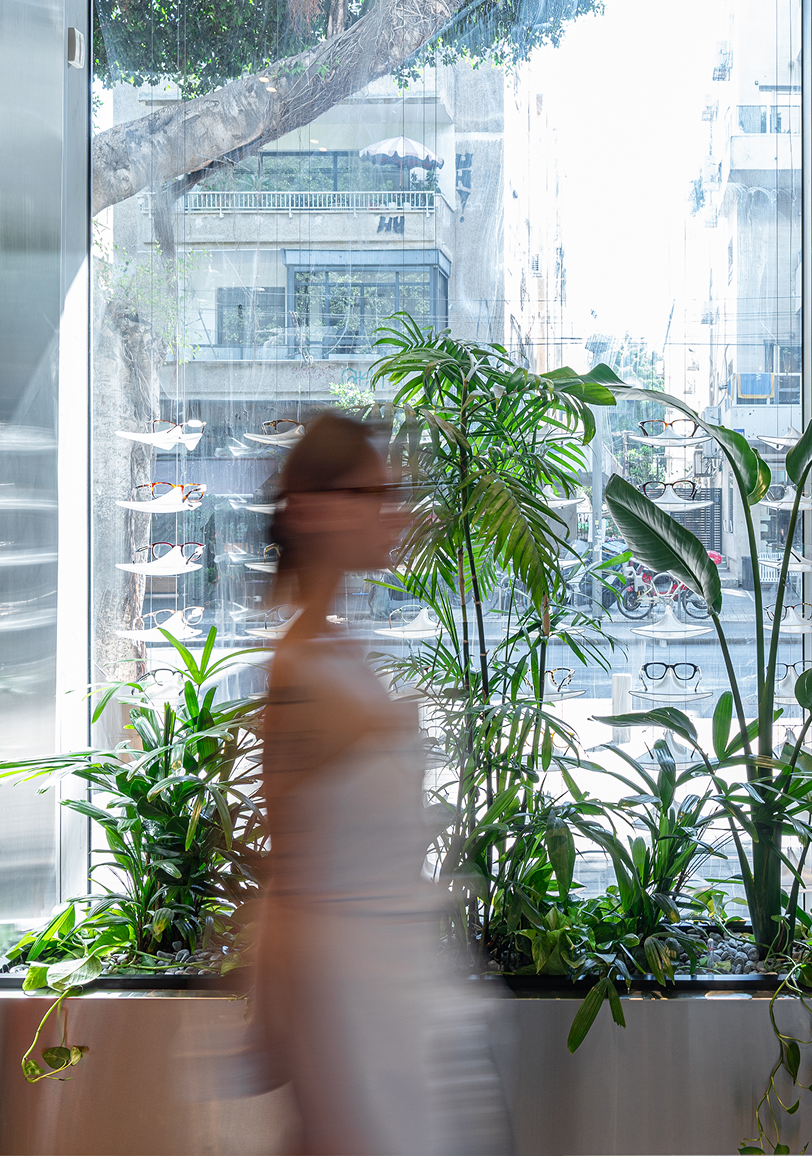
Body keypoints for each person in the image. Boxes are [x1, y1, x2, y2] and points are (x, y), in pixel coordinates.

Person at [247, 413, 510, 1156]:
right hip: (352, 1009)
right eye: (374, 493)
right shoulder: (300, 670)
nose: (399, 511)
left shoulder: (333, 647)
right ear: (317, 509)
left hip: (393, 996)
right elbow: (291, 881)